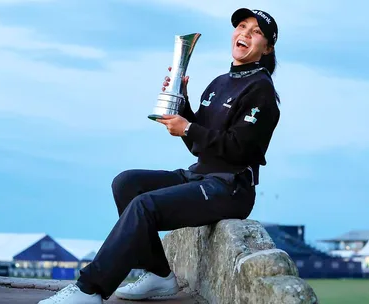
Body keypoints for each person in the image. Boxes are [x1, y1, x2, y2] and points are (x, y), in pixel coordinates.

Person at [38, 7, 280, 304]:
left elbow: (238, 149)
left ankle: (91, 290)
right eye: (242, 26)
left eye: (256, 32)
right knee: (127, 183)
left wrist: (188, 128)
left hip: (230, 187)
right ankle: (158, 275)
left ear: (267, 48)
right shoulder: (219, 83)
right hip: (201, 174)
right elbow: (198, 144)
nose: (244, 33)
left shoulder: (261, 91)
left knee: (145, 205)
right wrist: (181, 104)